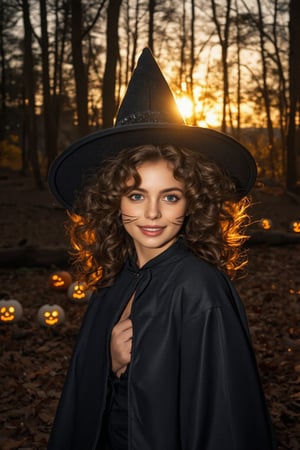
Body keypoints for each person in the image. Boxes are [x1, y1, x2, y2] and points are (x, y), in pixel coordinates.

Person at [47, 48, 277, 450]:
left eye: (170, 197)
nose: (152, 213)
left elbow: (223, 420)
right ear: (113, 200)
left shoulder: (199, 287)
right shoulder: (118, 276)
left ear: (193, 202)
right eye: (136, 195)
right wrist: (112, 362)